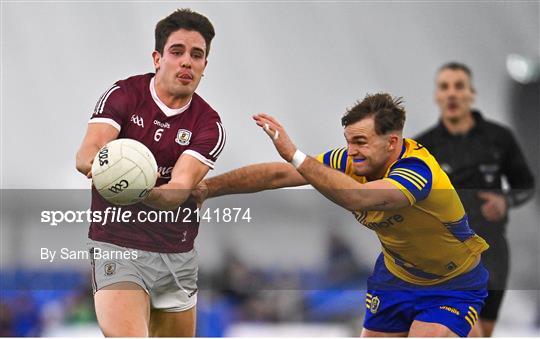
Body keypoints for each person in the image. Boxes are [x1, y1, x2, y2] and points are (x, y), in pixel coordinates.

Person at [192, 93, 490, 337]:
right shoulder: (350, 161)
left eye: (361, 142)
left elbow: (359, 197)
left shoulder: (418, 172)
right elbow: (276, 176)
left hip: (451, 283)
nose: (352, 151)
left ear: (392, 143)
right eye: (348, 141)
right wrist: (205, 188)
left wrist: (296, 155)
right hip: (395, 278)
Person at [75, 9, 225, 337]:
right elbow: (86, 154)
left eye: (196, 55)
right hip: (117, 246)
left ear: (204, 66)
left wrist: (137, 187)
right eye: (177, 51)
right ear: (158, 58)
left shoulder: (208, 124)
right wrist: (108, 168)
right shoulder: (124, 95)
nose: (187, 62)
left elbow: (179, 189)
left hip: (177, 255)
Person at [415, 62, 535, 336]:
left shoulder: (498, 139)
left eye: (459, 86)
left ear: (471, 93)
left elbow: (526, 185)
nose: (452, 94)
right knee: (462, 325)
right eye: (445, 87)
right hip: (446, 252)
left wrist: (505, 201)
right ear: (437, 96)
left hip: (491, 251)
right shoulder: (423, 147)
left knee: (482, 328)